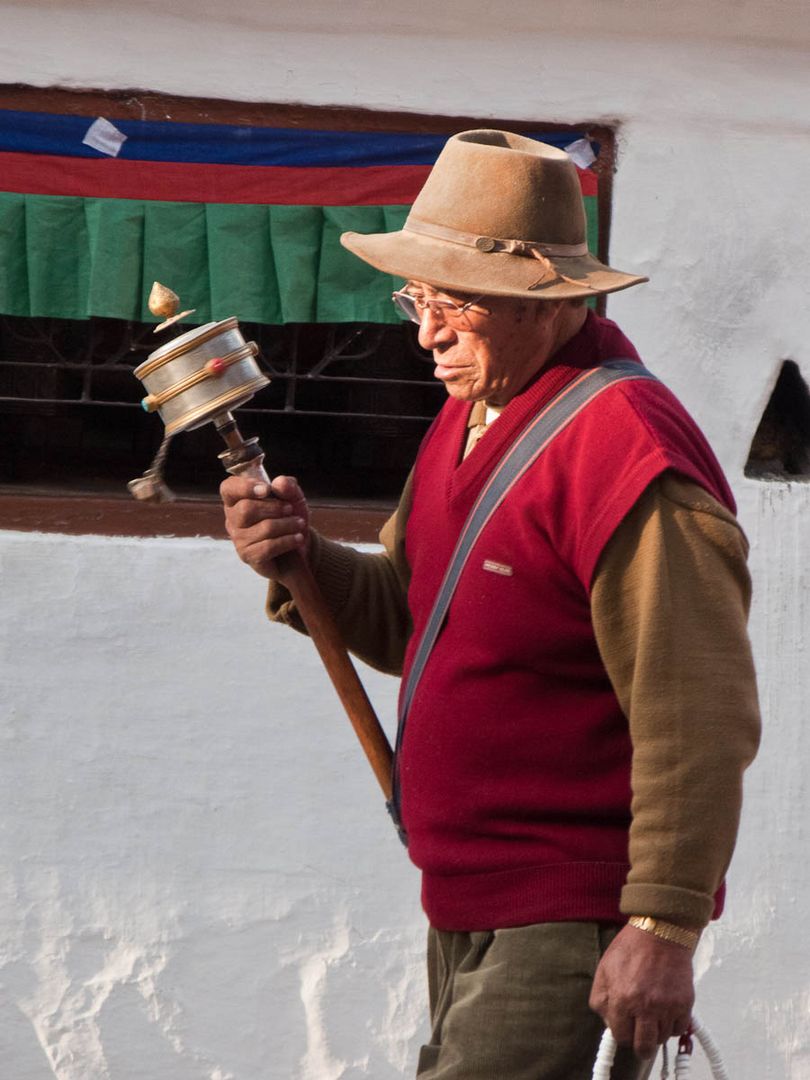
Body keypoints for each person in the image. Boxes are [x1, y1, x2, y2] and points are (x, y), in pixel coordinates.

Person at [220, 130, 760, 1079]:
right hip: (466, 897)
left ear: (545, 298)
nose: (424, 332)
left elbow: (698, 716)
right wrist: (302, 561)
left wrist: (663, 923)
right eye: (416, 298)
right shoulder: (470, 414)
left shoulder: (627, 453)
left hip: (570, 915)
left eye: (453, 302)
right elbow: (409, 615)